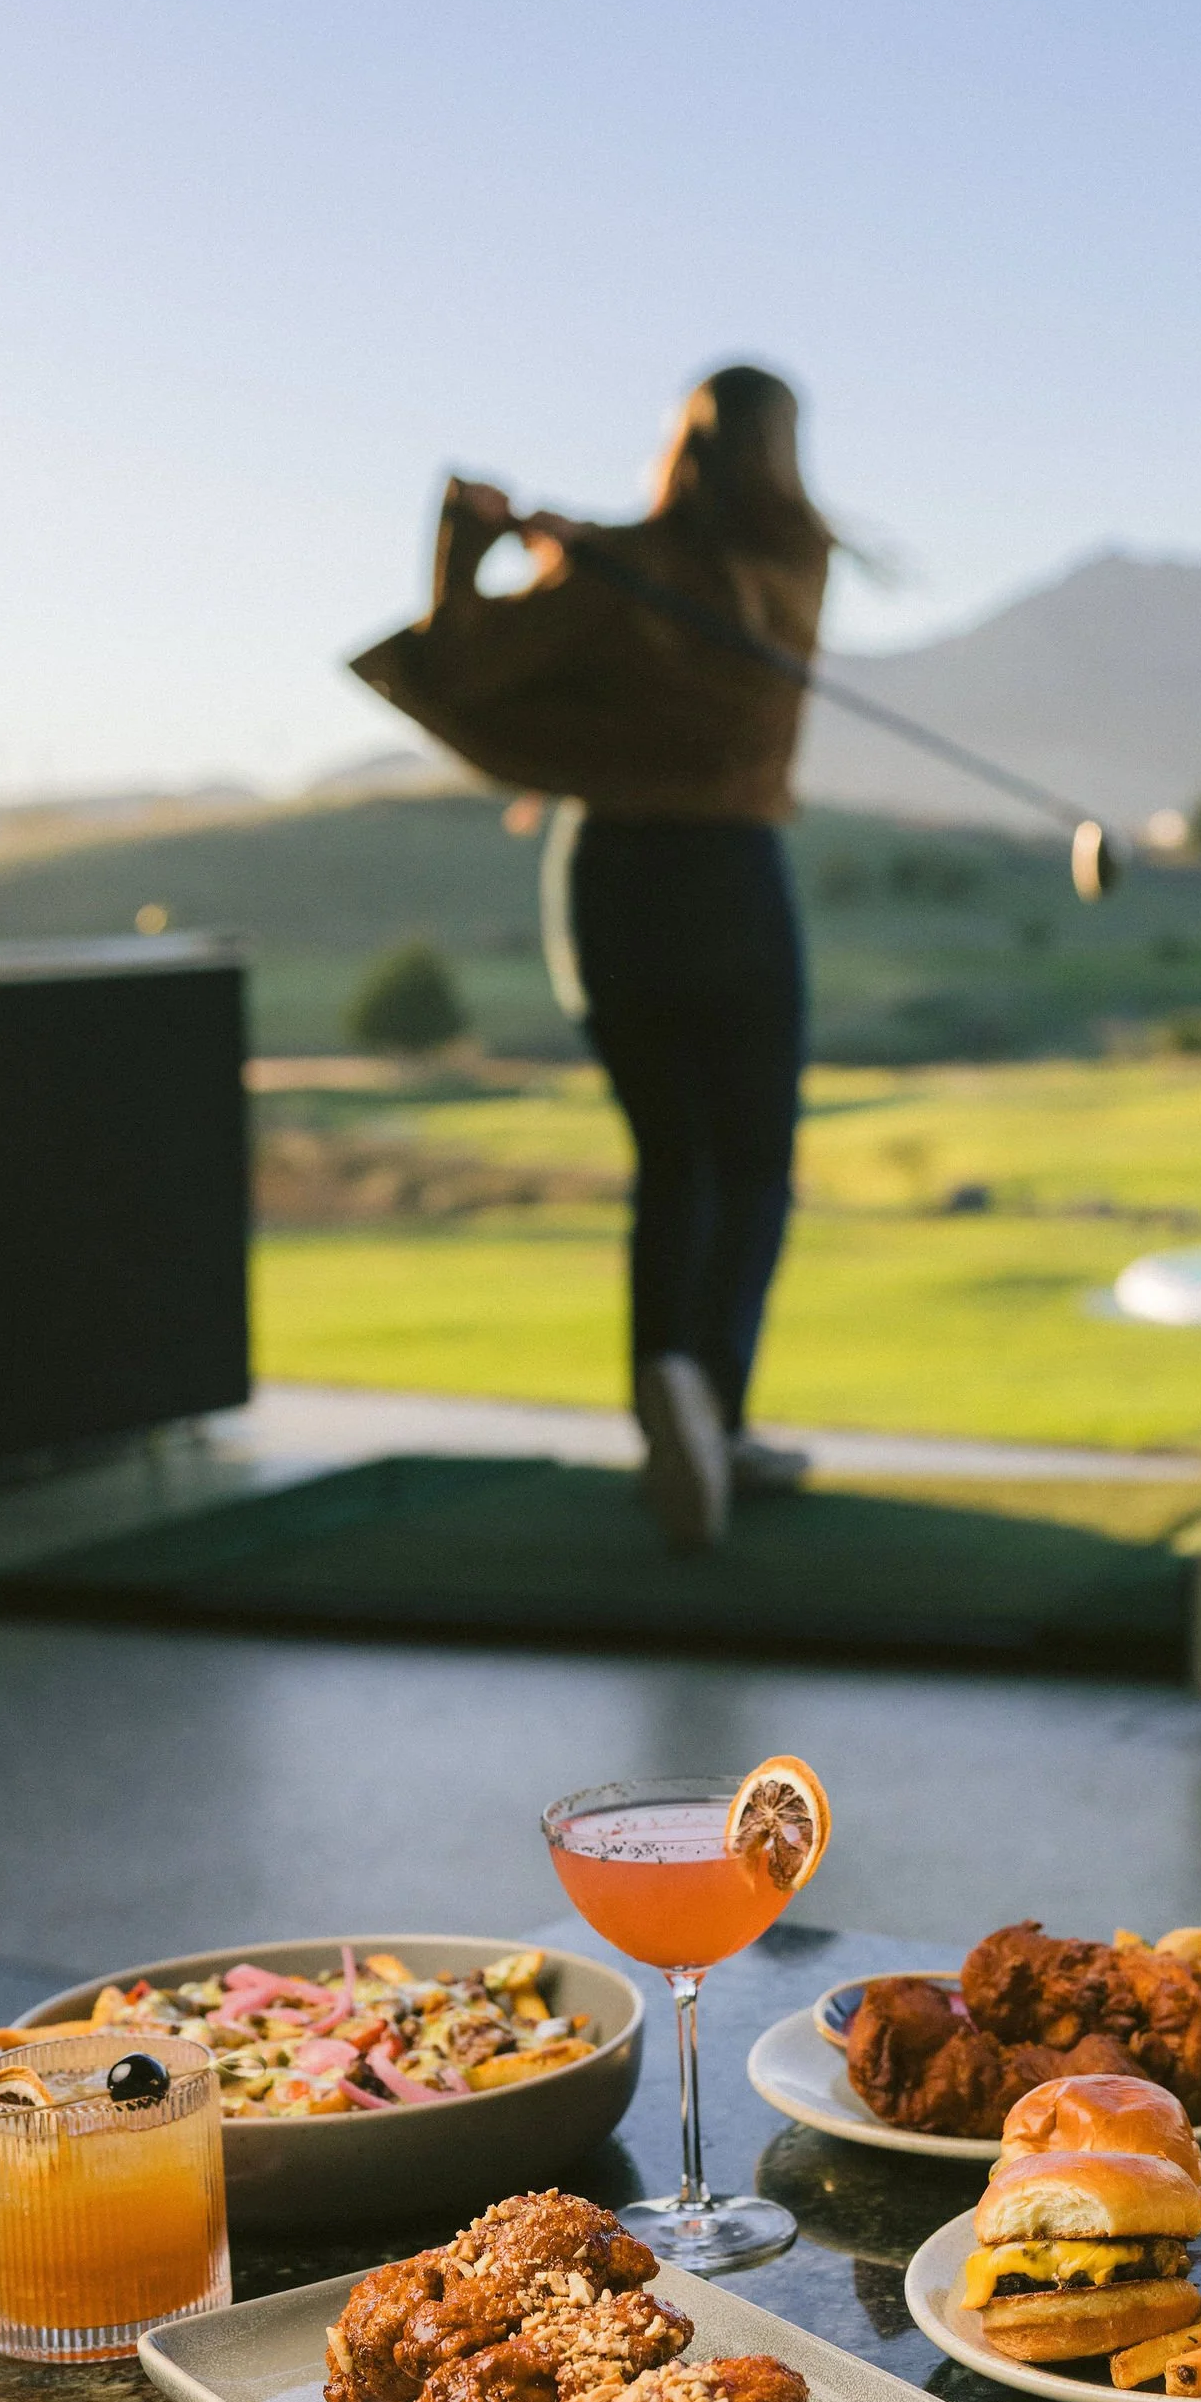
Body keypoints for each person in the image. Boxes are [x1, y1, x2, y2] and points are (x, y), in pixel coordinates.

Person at [353, 366, 832, 1549]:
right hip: (726, 878)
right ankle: (710, 1412)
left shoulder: (614, 571)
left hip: (608, 877)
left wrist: (472, 550)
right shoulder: (790, 563)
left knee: (674, 1157)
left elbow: (457, 666)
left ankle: (669, 1412)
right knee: (754, 1159)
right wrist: (583, 554)